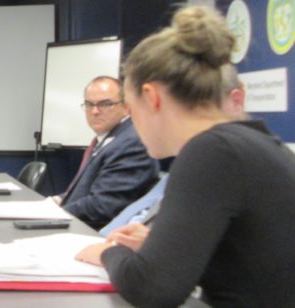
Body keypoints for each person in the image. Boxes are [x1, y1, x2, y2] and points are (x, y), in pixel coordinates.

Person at [76, 6, 295, 307]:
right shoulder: (252, 143)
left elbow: (151, 289)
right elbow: (249, 264)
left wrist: (107, 252)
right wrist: (158, 246)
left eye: (132, 110)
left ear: (151, 97)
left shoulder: (211, 152)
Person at [99, 63, 247, 236]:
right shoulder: (191, 162)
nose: (131, 124)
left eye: (131, 109)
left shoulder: (213, 165)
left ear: (152, 98)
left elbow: (163, 256)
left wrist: (114, 251)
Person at [52, 76, 159, 230]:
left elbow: (103, 205)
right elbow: (86, 191)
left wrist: (54, 214)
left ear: (126, 106)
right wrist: (57, 200)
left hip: (93, 235)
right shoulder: (111, 138)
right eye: (89, 104)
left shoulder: (132, 143)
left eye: (106, 104)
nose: (94, 111)